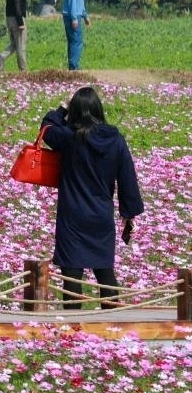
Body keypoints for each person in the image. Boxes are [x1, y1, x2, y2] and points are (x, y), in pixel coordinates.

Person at [41, 87, 143, 310]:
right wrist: (129, 214)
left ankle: (73, 323)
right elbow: (127, 177)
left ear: (75, 112)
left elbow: (46, 129)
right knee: (104, 270)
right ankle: (112, 320)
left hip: (72, 214)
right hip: (101, 214)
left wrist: (61, 109)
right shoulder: (116, 139)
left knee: (72, 272)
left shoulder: (69, 137)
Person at [62, 0, 90, 71]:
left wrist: (85, 16)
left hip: (77, 15)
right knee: (76, 41)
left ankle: (72, 65)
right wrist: (74, 18)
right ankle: (74, 66)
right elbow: (72, 2)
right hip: (71, 16)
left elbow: (80, 3)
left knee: (74, 41)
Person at [4, 0, 30, 72]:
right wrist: (20, 22)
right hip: (16, 19)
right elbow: (17, 5)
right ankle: (23, 70)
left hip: (10, 18)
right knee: (21, 45)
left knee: (14, 44)